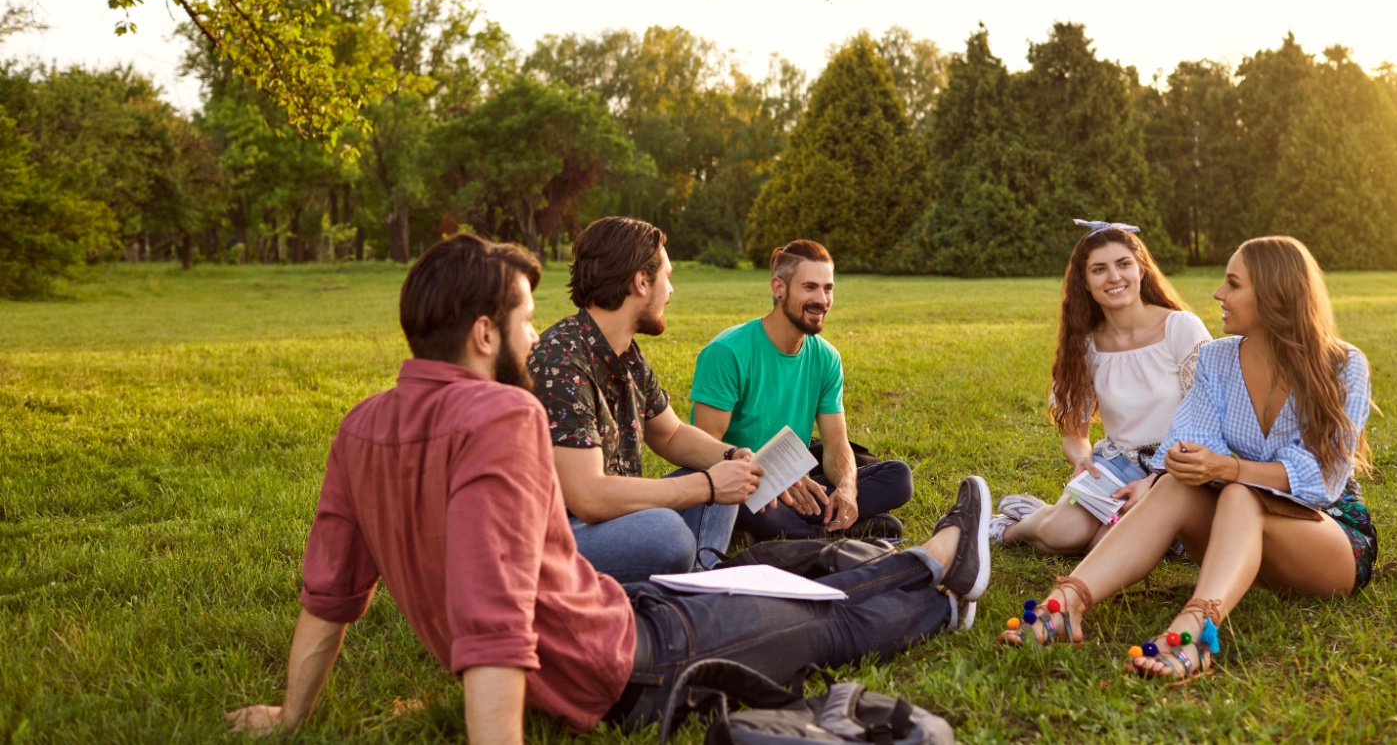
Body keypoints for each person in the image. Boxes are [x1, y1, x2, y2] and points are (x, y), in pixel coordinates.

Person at [224, 232, 995, 739]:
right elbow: (495, 622)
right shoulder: (502, 415)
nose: (534, 336)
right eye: (524, 322)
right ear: (485, 335)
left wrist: (292, 715)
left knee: (775, 598)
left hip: (621, 612)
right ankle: (937, 575)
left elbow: (330, 592)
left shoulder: (361, 426)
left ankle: (928, 565)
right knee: (821, 629)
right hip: (625, 660)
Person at [999, 236, 1377, 684]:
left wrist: (1231, 469)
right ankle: (1066, 605)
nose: (1218, 293)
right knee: (1177, 483)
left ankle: (1194, 633)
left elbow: (1324, 480)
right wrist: (1180, 465)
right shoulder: (1218, 359)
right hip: (1249, 539)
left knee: (1238, 494)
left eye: (1233, 284)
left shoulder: (1343, 364)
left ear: (1274, 295)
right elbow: (1183, 443)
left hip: (1330, 536)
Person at [526, 216, 758, 583]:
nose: (671, 290)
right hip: (558, 540)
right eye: (668, 276)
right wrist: (708, 485)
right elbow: (588, 497)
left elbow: (671, 434)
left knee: (716, 478)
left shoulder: (626, 354)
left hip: (614, 521)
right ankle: (695, 581)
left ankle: (697, 580)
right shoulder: (560, 360)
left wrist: (733, 458)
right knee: (665, 532)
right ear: (641, 280)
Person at [989, 220, 1211, 554]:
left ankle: (1046, 512)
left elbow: (1207, 421)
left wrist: (1155, 481)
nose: (1114, 277)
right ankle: (1008, 528)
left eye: (1123, 264)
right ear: (1085, 282)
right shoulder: (1087, 345)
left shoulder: (1180, 328)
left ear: (1141, 270)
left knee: (1105, 548)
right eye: (1099, 269)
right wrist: (1082, 460)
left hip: (1177, 467)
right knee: (1064, 536)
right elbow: (1074, 434)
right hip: (1115, 461)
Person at [690, 240, 914, 541]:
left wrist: (847, 489)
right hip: (743, 487)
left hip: (797, 480)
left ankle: (812, 530)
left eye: (828, 288)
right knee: (770, 517)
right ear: (778, 288)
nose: (821, 299)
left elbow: (835, 443)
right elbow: (702, 451)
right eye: (809, 287)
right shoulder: (727, 352)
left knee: (899, 478)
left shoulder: (826, 357)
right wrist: (770, 477)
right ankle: (824, 535)